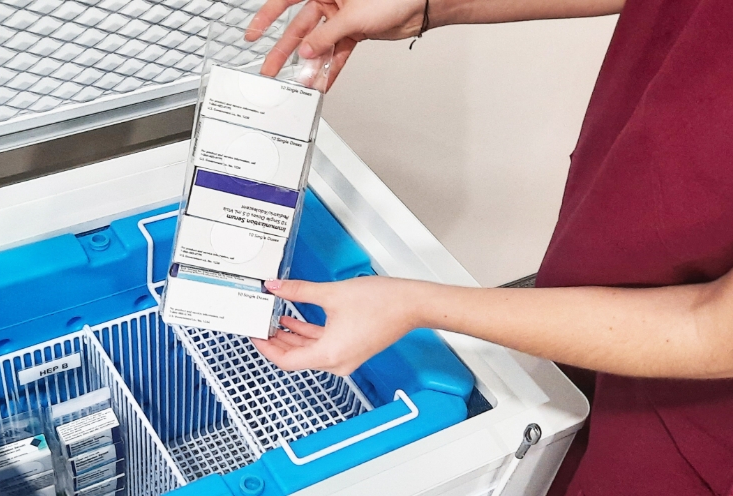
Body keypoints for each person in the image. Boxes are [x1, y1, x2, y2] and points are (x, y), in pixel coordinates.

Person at [245, 0, 733, 494]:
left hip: (700, 405)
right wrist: (431, 5)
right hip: (636, 243)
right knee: (561, 406)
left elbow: (707, 329)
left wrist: (415, 303)